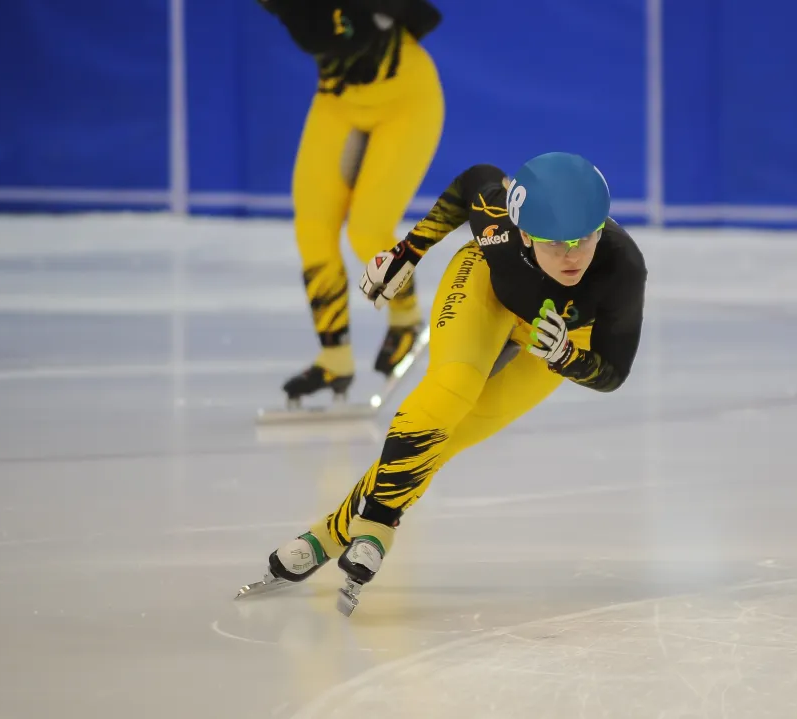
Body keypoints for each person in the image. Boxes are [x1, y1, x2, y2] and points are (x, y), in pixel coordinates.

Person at [237, 152, 648, 612]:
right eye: (554, 242)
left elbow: (614, 373)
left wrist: (568, 358)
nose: (572, 255)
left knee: (450, 437)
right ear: (524, 233)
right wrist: (407, 252)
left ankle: (328, 535)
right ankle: (377, 523)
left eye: (583, 238)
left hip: (561, 337)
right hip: (487, 287)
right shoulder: (497, 228)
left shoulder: (622, 268)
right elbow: (477, 178)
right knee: (451, 389)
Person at [256, 0, 445, 403]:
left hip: (406, 100)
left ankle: (406, 318)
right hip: (339, 101)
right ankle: (335, 356)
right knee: (312, 228)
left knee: (367, 231)